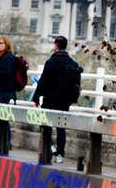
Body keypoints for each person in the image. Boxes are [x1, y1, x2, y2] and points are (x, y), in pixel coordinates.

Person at [32, 36, 83, 165]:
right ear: (66, 46)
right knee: (61, 128)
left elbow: (43, 81)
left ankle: (48, 148)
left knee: (46, 125)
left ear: (55, 45)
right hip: (65, 101)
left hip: (50, 99)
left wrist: (36, 96)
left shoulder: (51, 62)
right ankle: (60, 153)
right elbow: (77, 82)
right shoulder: (72, 63)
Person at [0, 35, 18, 152]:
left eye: (1, 43)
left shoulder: (7, 58)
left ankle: (4, 141)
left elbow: (6, 73)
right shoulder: (2, 57)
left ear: (6, 45)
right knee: (0, 118)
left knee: (2, 118)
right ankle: (2, 140)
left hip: (5, 92)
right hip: (1, 91)